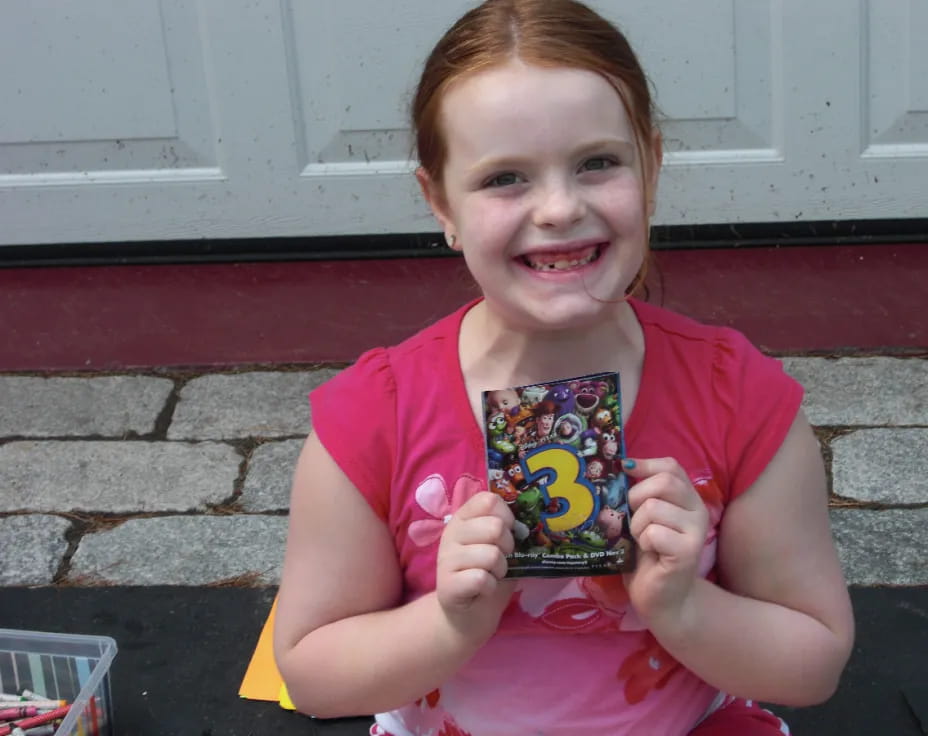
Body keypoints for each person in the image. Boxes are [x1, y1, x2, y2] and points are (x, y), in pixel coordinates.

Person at [273, 1, 855, 733]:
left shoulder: (740, 400)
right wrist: (451, 622)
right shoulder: (372, 418)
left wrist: (682, 605)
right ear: (440, 204)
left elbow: (813, 665)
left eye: (597, 163)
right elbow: (312, 676)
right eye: (504, 178)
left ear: (651, 168)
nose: (557, 208)